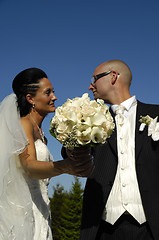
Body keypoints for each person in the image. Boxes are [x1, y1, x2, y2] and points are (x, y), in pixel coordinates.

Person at [0, 67, 93, 240]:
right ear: (30, 98)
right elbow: (28, 167)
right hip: (23, 212)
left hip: (42, 208)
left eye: (53, 92)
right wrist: (65, 167)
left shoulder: (41, 133)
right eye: (48, 92)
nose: (54, 97)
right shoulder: (23, 124)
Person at [79, 60, 159, 240]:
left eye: (95, 79)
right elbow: (71, 154)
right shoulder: (90, 119)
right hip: (103, 226)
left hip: (151, 226)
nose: (90, 85)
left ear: (113, 76)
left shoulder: (156, 115)